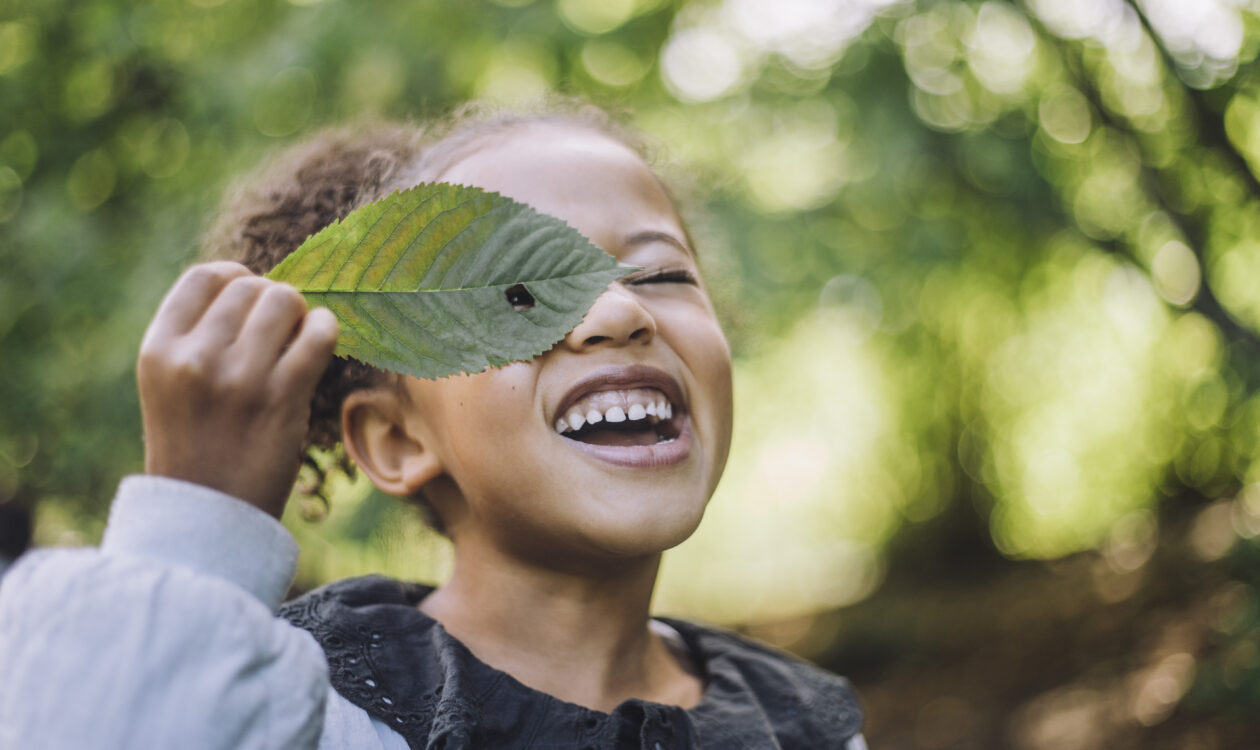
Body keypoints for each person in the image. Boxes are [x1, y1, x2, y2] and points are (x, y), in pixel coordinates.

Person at [0, 105, 867, 749]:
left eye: (660, 275)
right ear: (398, 440)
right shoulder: (314, 706)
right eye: (519, 293)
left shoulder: (804, 724)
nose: (618, 311)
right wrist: (195, 526)